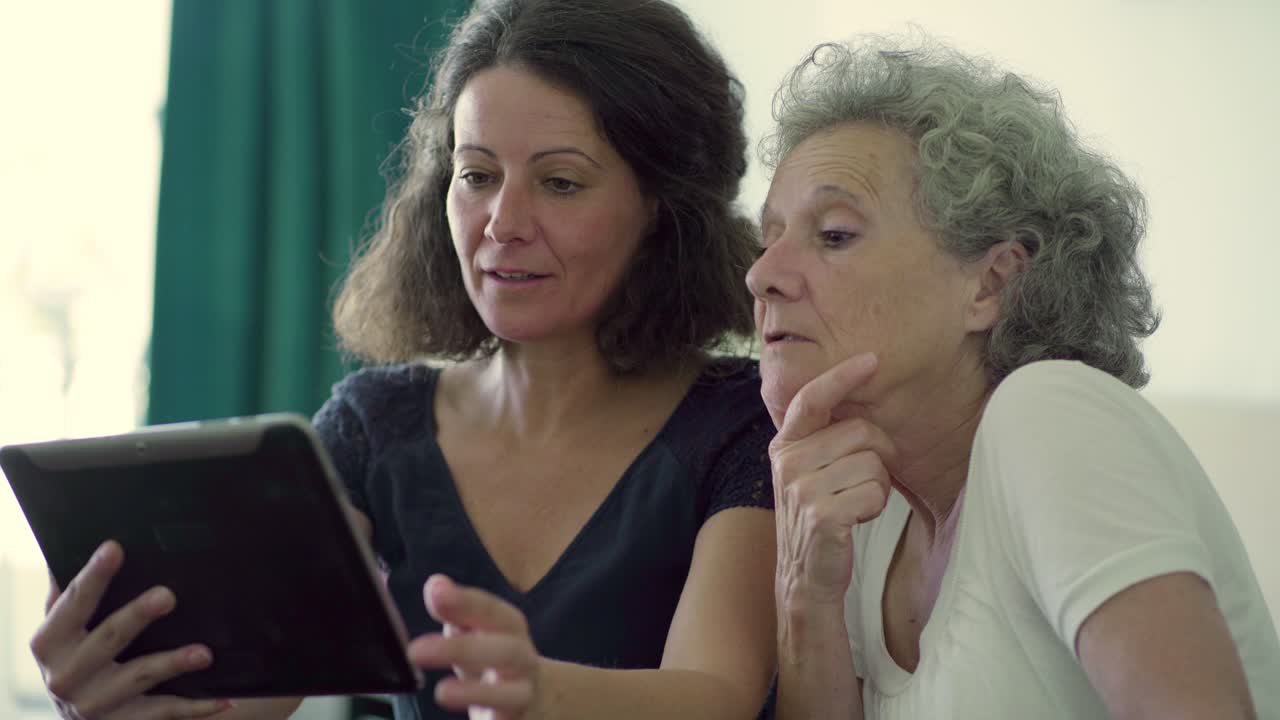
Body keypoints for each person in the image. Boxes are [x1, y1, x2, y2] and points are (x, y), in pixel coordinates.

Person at [28, 1, 778, 718]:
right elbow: (246, 698)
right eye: (477, 175)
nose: (502, 224)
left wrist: (544, 697)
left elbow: (717, 693)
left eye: (559, 182)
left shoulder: (744, 422)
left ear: (662, 208)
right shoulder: (375, 425)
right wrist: (121, 693)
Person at [751, 35, 1280, 719]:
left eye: (834, 235)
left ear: (991, 283)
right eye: (768, 239)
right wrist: (804, 596)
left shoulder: (1050, 415)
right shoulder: (867, 509)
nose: (761, 275)